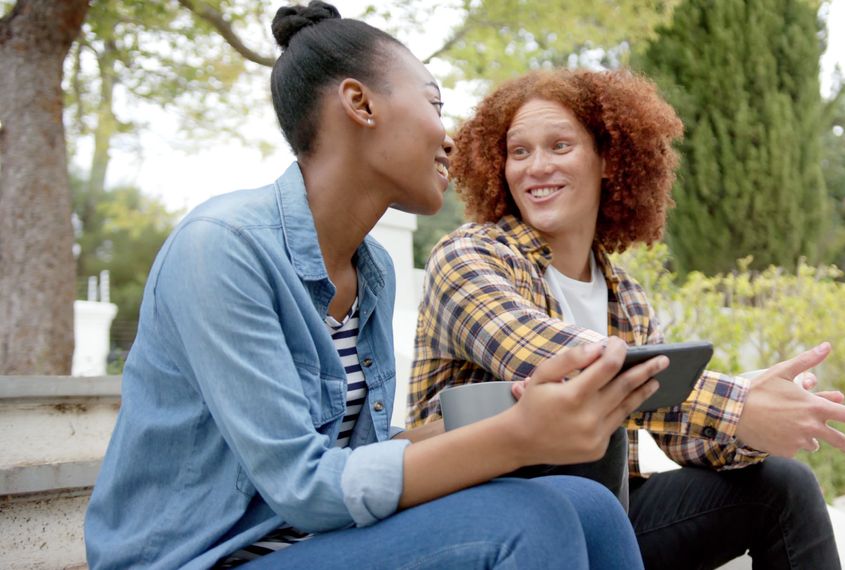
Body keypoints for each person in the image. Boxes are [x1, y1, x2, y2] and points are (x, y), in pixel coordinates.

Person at [83, 5, 662, 569]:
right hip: (205, 555)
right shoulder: (221, 247)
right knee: (528, 520)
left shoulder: (372, 270)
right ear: (360, 103)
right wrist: (516, 438)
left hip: (317, 543)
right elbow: (305, 485)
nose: (451, 138)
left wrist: (491, 417)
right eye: (435, 103)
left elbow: (357, 458)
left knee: (590, 505)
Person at [408, 68, 845, 569]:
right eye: (519, 152)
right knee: (592, 422)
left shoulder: (626, 296)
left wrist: (755, 424)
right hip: (486, 520)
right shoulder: (468, 256)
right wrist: (738, 401)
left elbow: (679, 432)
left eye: (560, 146)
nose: (535, 167)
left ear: (609, 160)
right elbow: (561, 362)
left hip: (605, 513)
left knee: (783, 487)